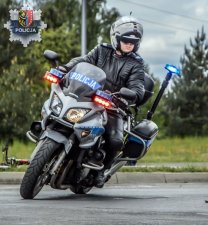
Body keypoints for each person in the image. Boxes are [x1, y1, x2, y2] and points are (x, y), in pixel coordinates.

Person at [63, 16, 145, 187]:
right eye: (126, 40)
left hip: (113, 107)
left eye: (133, 42)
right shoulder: (101, 50)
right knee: (61, 113)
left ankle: (101, 171)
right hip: (88, 96)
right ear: (116, 38)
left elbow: (138, 87)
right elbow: (83, 61)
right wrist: (66, 68)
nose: (129, 44)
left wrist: (130, 95)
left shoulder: (136, 64)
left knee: (115, 140)